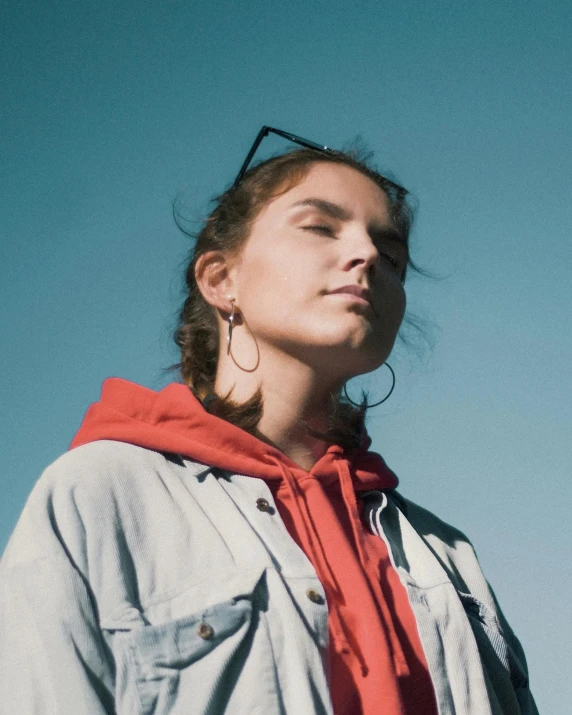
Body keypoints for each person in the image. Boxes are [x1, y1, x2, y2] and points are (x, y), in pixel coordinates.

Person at [0, 126, 538, 715]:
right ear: (220, 279)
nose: (366, 257)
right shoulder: (101, 494)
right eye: (319, 226)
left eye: (391, 255)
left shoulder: (446, 553)